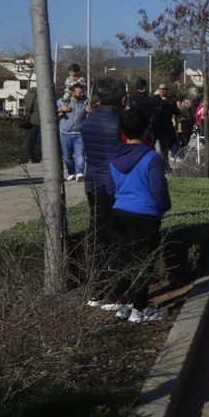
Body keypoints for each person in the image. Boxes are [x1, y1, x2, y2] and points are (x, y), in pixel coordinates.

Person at [107, 104, 172, 324]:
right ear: (146, 132)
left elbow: (110, 187)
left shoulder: (114, 157)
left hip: (120, 212)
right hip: (145, 215)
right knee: (144, 262)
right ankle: (140, 308)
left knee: (124, 260)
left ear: (122, 132)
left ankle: (124, 305)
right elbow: (159, 189)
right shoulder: (151, 157)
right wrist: (164, 206)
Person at [81, 77, 128, 310]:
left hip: (93, 184)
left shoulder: (87, 123)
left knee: (99, 237)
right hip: (117, 186)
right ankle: (115, 293)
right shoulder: (121, 123)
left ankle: (97, 290)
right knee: (118, 239)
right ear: (122, 99)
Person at [57, 83, 88, 180]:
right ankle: (71, 172)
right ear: (72, 92)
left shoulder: (85, 103)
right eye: (79, 92)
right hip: (65, 133)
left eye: (83, 92)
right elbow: (53, 110)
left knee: (79, 154)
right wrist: (61, 109)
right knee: (67, 156)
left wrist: (89, 111)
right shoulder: (63, 101)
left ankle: (79, 172)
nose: (82, 94)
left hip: (79, 133)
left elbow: (90, 113)